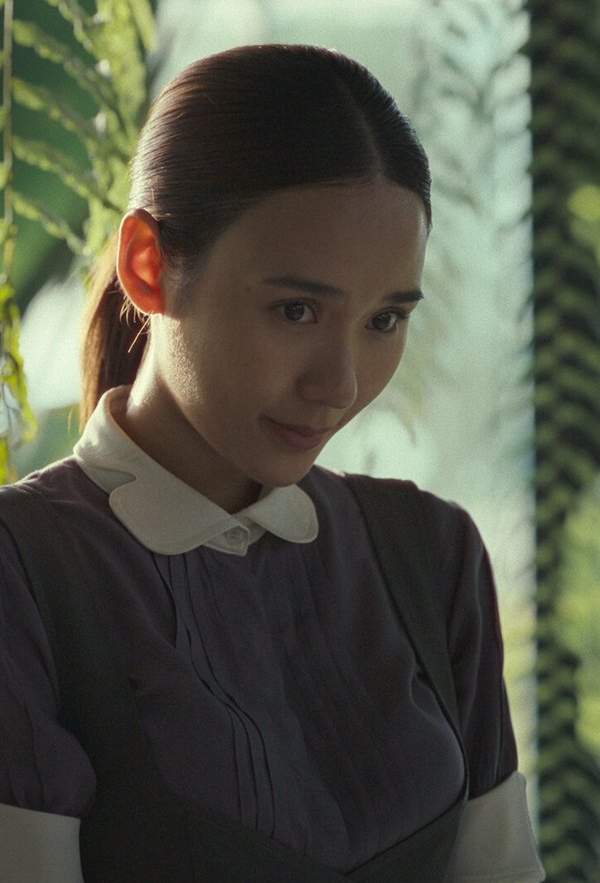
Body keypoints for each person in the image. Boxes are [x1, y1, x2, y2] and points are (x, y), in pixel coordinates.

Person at [0, 44, 544, 882]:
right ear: (148, 266)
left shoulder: (429, 555)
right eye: (296, 310)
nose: (341, 385)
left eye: (385, 320)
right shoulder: (27, 573)